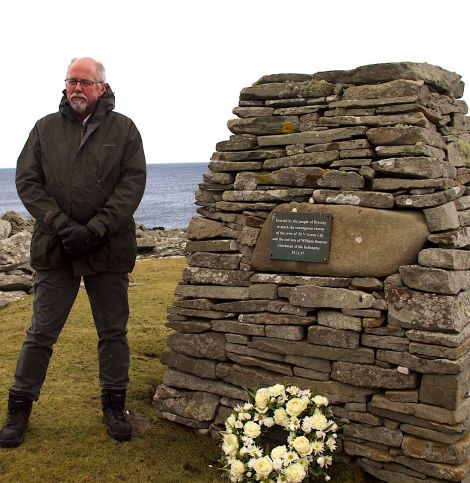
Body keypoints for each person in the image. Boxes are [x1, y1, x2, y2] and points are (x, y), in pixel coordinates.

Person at [0, 57, 146, 447]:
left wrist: (96, 229)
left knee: (113, 333)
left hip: (108, 249)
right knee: (41, 333)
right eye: (71, 81)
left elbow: (131, 186)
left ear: (101, 86)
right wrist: (63, 226)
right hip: (56, 248)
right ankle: (19, 409)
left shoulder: (125, 129)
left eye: (84, 82)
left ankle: (115, 406)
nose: (76, 88)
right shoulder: (44, 128)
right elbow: (28, 182)